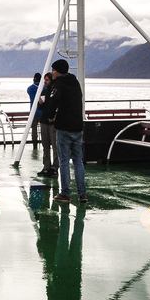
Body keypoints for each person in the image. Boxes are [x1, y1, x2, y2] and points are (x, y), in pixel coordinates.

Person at [49, 59, 86, 203]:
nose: (52, 73)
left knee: (64, 161)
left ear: (57, 71)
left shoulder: (59, 84)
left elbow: (53, 103)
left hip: (64, 127)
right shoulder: (75, 83)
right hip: (78, 127)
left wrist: (50, 116)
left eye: (53, 70)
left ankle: (65, 193)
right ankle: (82, 194)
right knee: (78, 161)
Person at [36, 72, 57, 177]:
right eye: (45, 80)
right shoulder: (44, 91)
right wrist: (39, 103)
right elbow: (40, 107)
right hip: (44, 120)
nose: (45, 82)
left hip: (52, 122)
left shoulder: (55, 91)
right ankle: (46, 166)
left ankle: (54, 167)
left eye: (47, 80)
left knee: (54, 145)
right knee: (45, 146)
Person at [26, 73, 42, 145]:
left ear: (34, 79)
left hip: (33, 111)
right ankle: (45, 142)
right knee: (43, 128)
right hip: (42, 111)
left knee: (34, 128)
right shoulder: (44, 88)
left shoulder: (30, 89)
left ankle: (34, 143)